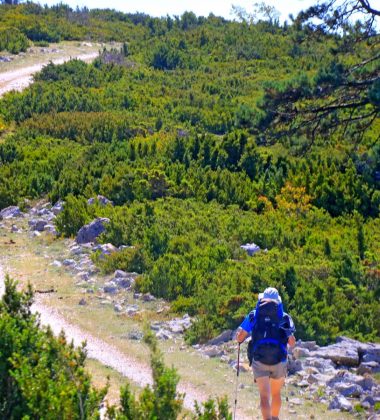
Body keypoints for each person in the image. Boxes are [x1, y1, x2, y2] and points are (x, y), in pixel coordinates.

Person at [236, 287, 295, 420]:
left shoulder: (254, 315)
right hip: (279, 360)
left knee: (264, 396)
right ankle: (275, 418)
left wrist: (238, 337)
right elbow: (292, 342)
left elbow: (240, 337)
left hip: (259, 360)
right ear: (278, 301)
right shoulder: (284, 317)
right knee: (276, 393)